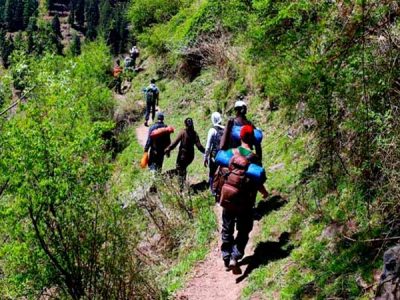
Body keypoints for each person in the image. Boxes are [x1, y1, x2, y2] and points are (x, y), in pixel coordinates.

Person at [220, 125, 268, 273]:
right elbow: (258, 180)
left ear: (239, 137)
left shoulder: (230, 153)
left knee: (227, 227)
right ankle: (235, 255)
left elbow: (221, 173)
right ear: (252, 139)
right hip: (245, 201)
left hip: (228, 197)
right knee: (244, 229)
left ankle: (226, 256)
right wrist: (265, 193)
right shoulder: (254, 158)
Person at [165, 118, 205, 188]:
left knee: (180, 169)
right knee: (182, 169)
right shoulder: (194, 134)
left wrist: (168, 149)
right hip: (190, 156)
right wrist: (206, 152)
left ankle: (181, 187)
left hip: (182, 156)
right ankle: (182, 186)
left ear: (185, 124)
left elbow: (175, 143)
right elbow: (199, 146)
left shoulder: (183, 132)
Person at [204, 112, 225, 194]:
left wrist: (205, 157)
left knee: (212, 173)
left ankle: (213, 191)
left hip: (215, 155)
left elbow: (208, 146)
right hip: (225, 154)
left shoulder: (212, 130)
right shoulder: (225, 128)